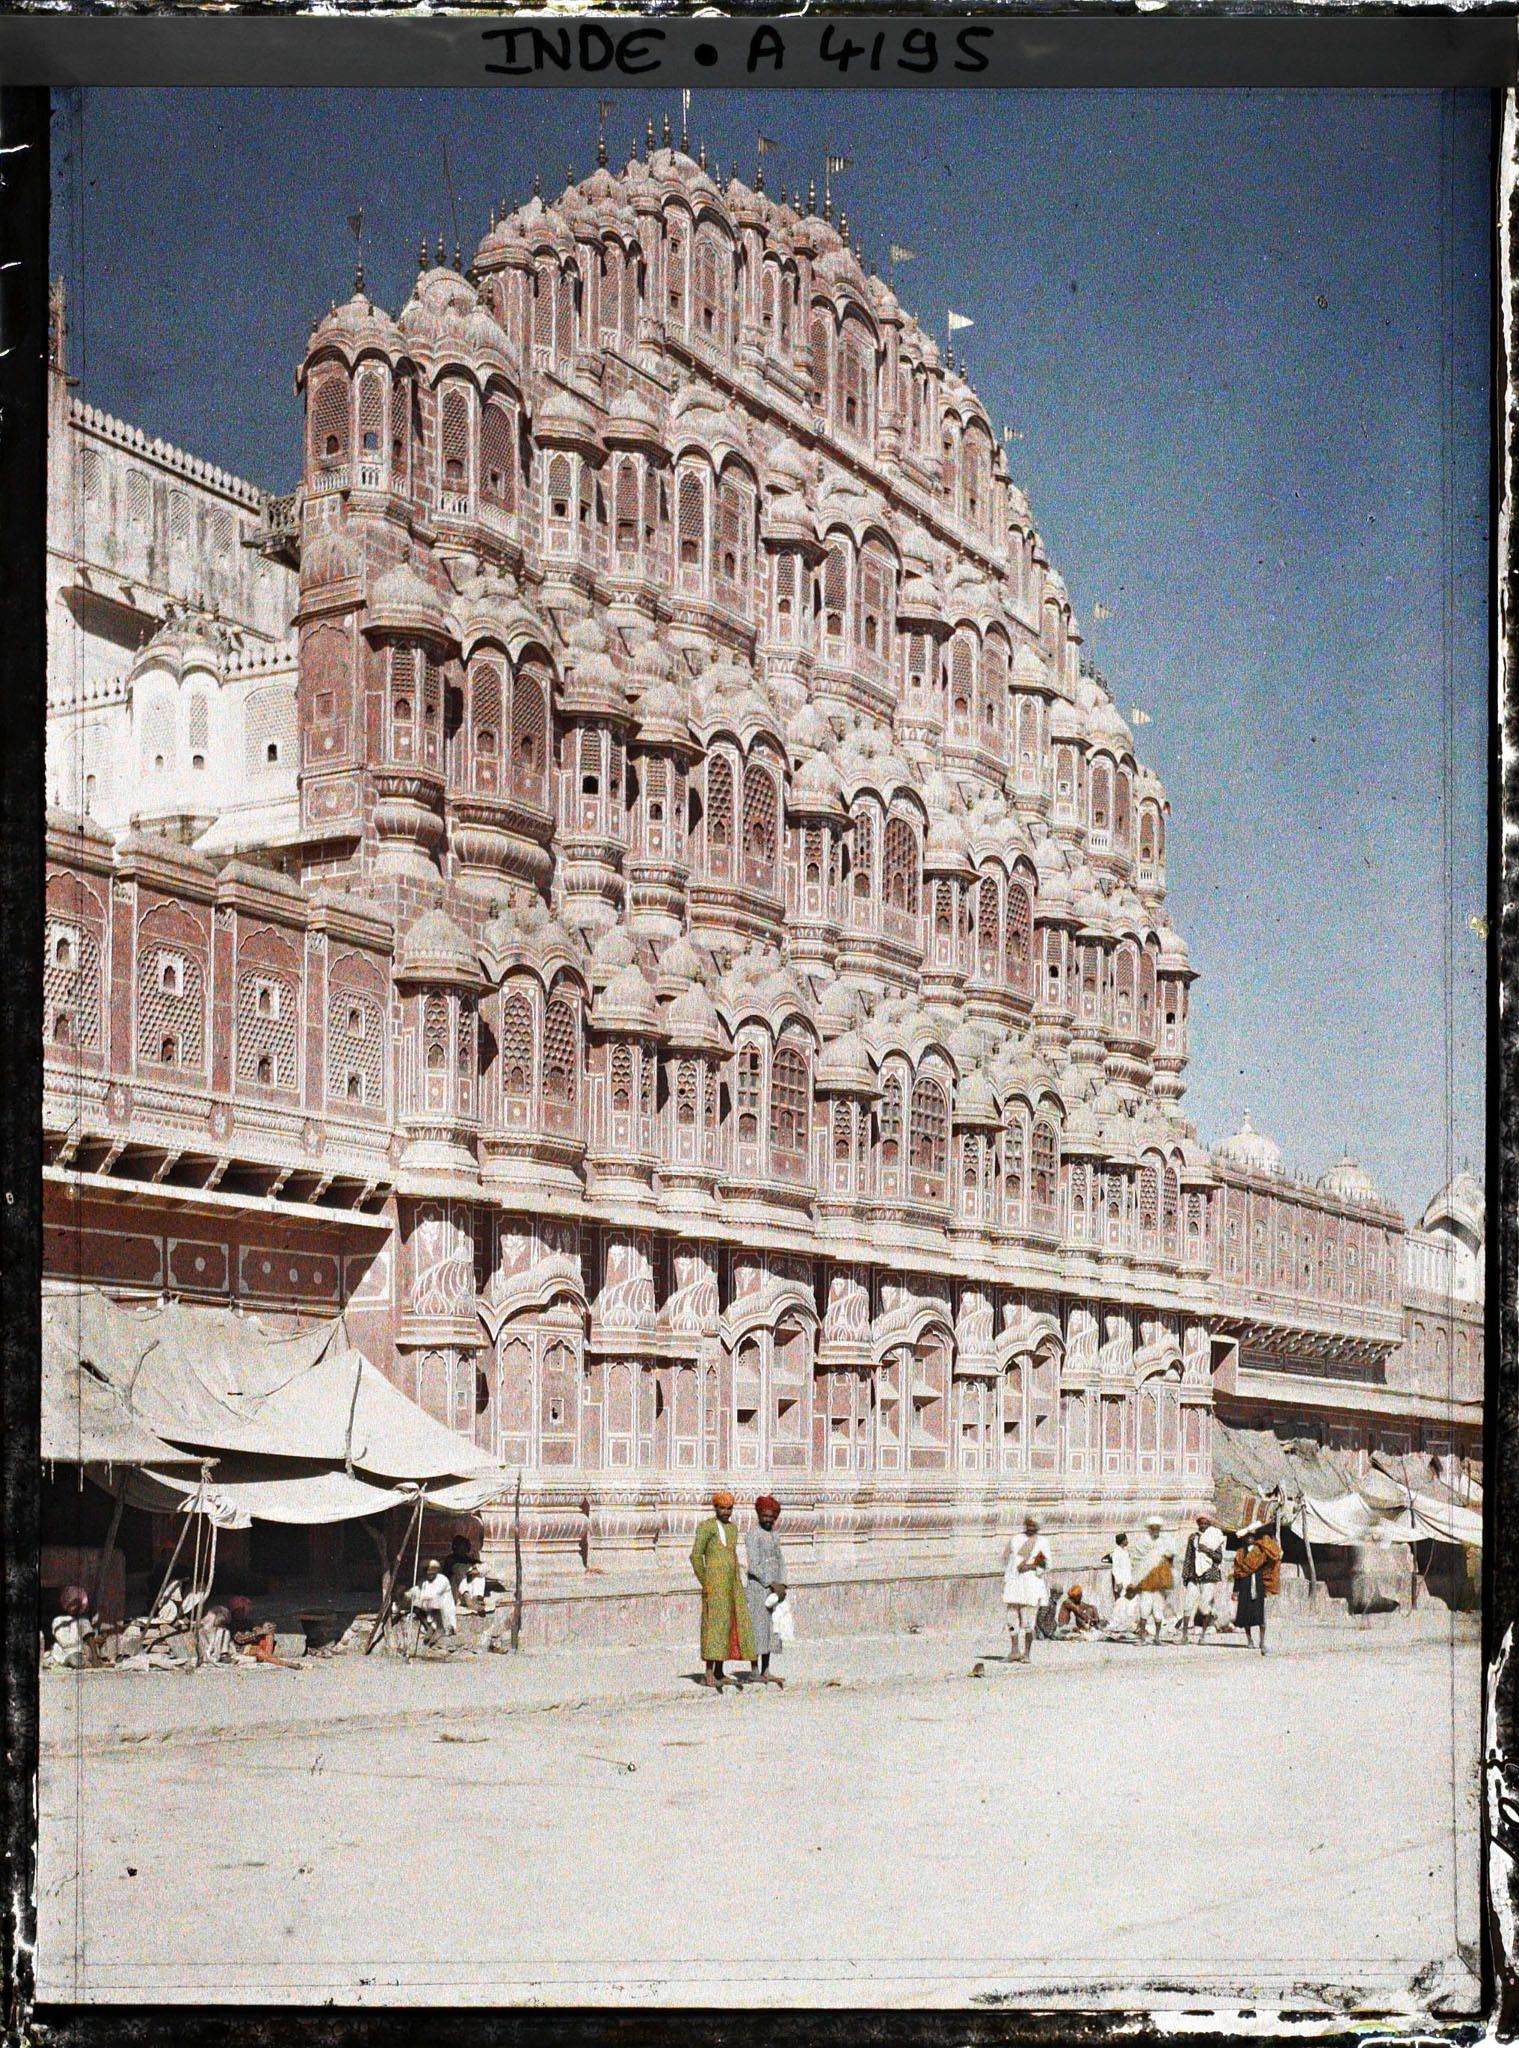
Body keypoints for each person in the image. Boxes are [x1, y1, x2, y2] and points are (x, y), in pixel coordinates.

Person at [691, 1489, 755, 1690]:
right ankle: (709, 1673)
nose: (726, 1512)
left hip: (731, 1585)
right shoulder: (706, 1527)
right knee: (713, 1628)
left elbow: (732, 1556)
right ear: (715, 1508)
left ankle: (720, 1671)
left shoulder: (732, 1530)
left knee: (728, 1626)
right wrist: (705, 1581)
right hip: (714, 1586)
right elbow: (696, 1555)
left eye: (729, 1508)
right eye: (723, 1508)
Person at [743, 1495, 788, 1687]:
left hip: (774, 1589)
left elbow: (780, 1560)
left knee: (772, 1628)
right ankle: (754, 1670)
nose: (768, 1520)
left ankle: (766, 1669)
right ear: (759, 1515)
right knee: (758, 1628)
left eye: (771, 1517)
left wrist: (782, 1584)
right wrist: (770, 1582)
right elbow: (754, 1565)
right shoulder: (753, 1535)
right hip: (758, 1588)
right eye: (765, 1516)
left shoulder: (775, 1535)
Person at [1231, 1518, 1284, 1654]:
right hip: (1244, 1585)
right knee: (1246, 1614)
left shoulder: (1261, 1551)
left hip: (1258, 1584)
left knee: (1260, 1615)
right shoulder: (1240, 1553)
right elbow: (1238, 1572)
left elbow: (1274, 1555)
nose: (1250, 1538)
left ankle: (1262, 1641)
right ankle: (1249, 1640)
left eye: (1252, 1536)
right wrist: (1236, 1590)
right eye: (1248, 1536)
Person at [1003, 1514, 1049, 1663]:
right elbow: (1008, 1559)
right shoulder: (1015, 1539)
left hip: (1031, 1585)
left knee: (1028, 1622)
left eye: (1033, 1525)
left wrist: (1030, 1566)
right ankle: (1014, 1651)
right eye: (1028, 1524)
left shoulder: (1042, 1542)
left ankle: (1027, 1654)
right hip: (1014, 1583)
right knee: (1012, 1619)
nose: (1030, 1528)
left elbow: (1046, 1564)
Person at [1180, 1508, 1230, 1643]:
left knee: (1205, 1606)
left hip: (1208, 1575)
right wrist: (1185, 1576)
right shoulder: (1193, 1537)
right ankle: (1184, 1635)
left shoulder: (1214, 1537)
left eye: (1205, 1523)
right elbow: (1188, 1557)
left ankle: (1202, 1636)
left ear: (1209, 1524)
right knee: (1188, 1605)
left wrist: (1207, 1550)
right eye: (1201, 1523)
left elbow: (1219, 1558)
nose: (1203, 1525)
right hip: (1194, 1575)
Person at [1132, 1514, 1175, 1643]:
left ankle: (1157, 1637)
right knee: (1144, 1609)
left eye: (1157, 1528)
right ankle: (1142, 1637)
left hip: (1159, 1582)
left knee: (1158, 1611)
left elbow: (1170, 1557)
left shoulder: (1164, 1542)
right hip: (1146, 1581)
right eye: (1153, 1528)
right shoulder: (1143, 1542)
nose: (1155, 1530)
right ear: (1150, 1529)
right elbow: (1137, 1560)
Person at [47, 1586, 95, 1669]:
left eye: (77, 1604)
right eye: (73, 1604)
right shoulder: (59, 1620)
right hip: (67, 1652)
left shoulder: (82, 1620)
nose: (75, 1607)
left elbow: (87, 1636)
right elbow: (65, 1643)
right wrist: (82, 1642)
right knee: (74, 1659)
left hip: (82, 1652)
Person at [411, 1558, 457, 1640]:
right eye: (428, 1570)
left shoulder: (442, 1579)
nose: (430, 1573)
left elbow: (434, 1595)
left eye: (433, 1570)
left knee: (434, 1601)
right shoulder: (423, 1582)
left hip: (443, 1610)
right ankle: (429, 1628)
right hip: (429, 1609)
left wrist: (422, 1599)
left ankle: (439, 1629)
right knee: (415, 1605)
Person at [1105, 1532, 1137, 1637]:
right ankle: (1119, 1622)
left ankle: (1127, 1622)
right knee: (1122, 1600)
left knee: (1130, 1601)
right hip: (1122, 1580)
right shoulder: (1117, 1552)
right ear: (1122, 1541)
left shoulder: (1125, 1551)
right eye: (1126, 1539)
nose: (1127, 1541)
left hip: (1128, 1578)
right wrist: (1118, 1582)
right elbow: (1115, 1568)